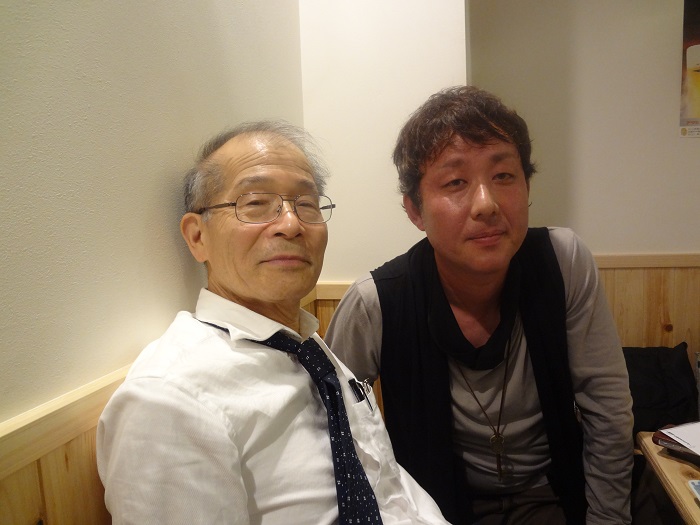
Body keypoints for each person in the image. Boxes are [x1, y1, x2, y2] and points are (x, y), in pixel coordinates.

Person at [96, 120, 449, 525]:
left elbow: (386, 485)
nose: (291, 224)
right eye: (255, 203)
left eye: (307, 204)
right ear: (197, 237)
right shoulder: (169, 399)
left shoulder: (306, 346)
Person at [325, 86, 634, 525]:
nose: (486, 205)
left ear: (527, 187)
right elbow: (335, 439)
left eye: (504, 176)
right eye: (455, 182)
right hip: (433, 511)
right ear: (415, 210)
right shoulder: (375, 302)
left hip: (554, 497)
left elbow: (608, 411)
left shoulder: (564, 262)